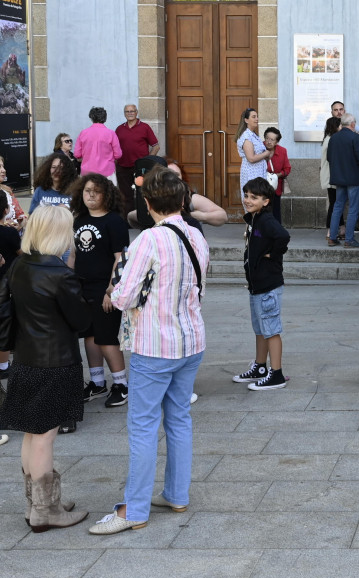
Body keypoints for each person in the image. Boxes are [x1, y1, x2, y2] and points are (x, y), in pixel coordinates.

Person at [89, 167, 209, 534]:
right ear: (183, 200)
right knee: (178, 418)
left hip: (155, 344)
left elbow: (124, 296)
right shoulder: (196, 236)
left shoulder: (148, 240)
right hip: (191, 340)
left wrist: (117, 290)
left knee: (142, 426)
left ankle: (135, 509)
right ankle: (176, 493)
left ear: (148, 203)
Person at [0, 205, 90, 531]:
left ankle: (38, 503)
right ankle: (44, 511)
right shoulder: (60, 274)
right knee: (44, 437)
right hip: (55, 362)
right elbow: (80, 321)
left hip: (24, 359)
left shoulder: (20, 265)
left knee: (31, 433)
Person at [71, 174, 130, 410]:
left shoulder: (114, 222)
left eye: (96, 191)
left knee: (107, 339)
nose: (91, 195)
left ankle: (121, 384)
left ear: (107, 194)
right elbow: (74, 254)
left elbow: (120, 258)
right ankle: (97, 382)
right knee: (90, 337)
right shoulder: (79, 220)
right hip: (82, 287)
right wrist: (67, 282)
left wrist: (111, 289)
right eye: (87, 191)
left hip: (104, 287)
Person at [233, 177, 290, 391]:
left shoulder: (266, 220)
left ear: (266, 201)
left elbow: (283, 236)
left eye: (254, 197)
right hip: (256, 286)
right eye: (246, 195)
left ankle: (276, 374)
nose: (248, 200)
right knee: (260, 329)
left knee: (271, 329)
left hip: (268, 286)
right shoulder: (255, 218)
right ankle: (260, 367)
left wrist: (272, 254)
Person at [326, 113, 359, 248]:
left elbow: (329, 158)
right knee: (353, 208)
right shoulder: (355, 137)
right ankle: (349, 239)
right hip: (353, 178)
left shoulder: (333, 138)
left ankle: (332, 237)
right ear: (352, 124)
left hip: (339, 178)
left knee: (337, 207)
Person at [114, 104, 159, 216]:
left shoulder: (145, 127)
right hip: (123, 166)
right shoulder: (119, 129)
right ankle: (128, 219)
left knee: (143, 193)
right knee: (125, 195)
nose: (130, 113)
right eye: (127, 111)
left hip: (140, 168)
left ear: (136, 112)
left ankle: (143, 218)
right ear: (124, 113)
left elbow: (156, 146)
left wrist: (148, 160)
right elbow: (114, 148)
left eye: (132, 111)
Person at [0, 190, 20, 380]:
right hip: (6, 286)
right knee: (4, 325)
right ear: (6, 210)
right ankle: (4, 365)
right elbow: (21, 252)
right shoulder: (9, 232)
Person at [74, 107, 122, 182]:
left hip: (87, 172)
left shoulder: (83, 133)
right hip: (107, 171)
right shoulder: (111, 133)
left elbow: (77, 154)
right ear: (105, 118)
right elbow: (118, 154)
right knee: (108, 193)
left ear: (91, 118)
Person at [236, 108, 271, 207]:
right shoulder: (246, 136)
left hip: (258, 173)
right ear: (246, 120)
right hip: (251, 173)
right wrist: (266, 153)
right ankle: (251, 222)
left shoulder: (253, 135)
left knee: (258, 199)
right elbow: (251, 158)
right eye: (253, 117)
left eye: (257, 117)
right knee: (253, 200)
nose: (257, 119)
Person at [263, 127, 291, 223]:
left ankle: (276, 233)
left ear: (276, 142)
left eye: (272, 140)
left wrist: (277, 175)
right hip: (261, 186)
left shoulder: (282, 151)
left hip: (275, 187)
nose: (269, 142)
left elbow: (287, 169)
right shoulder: (259, 149)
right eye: (267, 138)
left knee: (275, 213)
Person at [320, 115, 342, 239]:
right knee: (334, 204)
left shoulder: (328, 138)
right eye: (339, 125)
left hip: (330, 175)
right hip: (331, 176)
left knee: (336, 203)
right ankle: (329, 230)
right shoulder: (331, 140)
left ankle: (340, 228)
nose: (341, 128)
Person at [0, 155, 26, 229]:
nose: (3, 170)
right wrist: (3, 224)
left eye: (3, 166)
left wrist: (20, 224)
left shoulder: (7, 190)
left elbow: (20, 214)